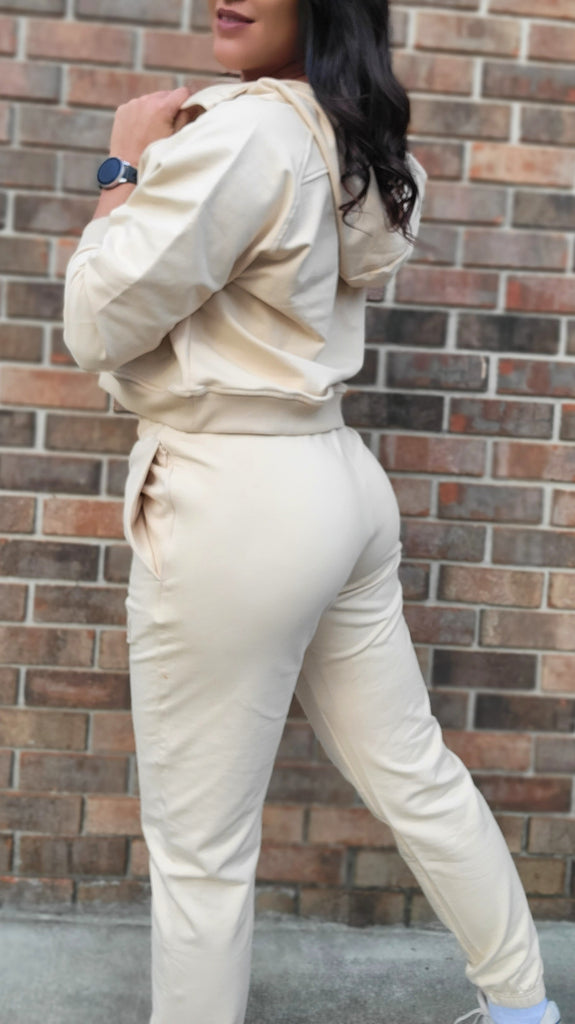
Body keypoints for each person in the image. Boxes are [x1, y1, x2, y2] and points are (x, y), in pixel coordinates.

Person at [63, 2, 562, 1023]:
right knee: (415, 774)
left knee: (201, 853)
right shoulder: (358, 140)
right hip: (335, 479)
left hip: (233, 496)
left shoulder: (244, 131)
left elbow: (95, 321)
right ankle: (520, 1008)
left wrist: (122, 168)